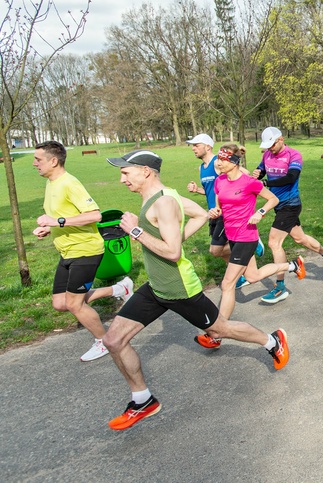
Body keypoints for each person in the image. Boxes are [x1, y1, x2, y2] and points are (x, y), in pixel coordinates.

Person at [102, 150, 289, 430]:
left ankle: (272, 341)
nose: (121, 179)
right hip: (156, 286)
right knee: (114, 341)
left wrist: (135, 232)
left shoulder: (164, 203)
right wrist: (171, 235)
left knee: (219, 330)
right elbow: (201, 214)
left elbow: (174, 252)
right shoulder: (165, 195)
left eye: (126, 173)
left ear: (145, 171)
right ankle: (142, 400)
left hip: (179, 288)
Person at [33, 141, 134, 362]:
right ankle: (119, 289)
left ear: (53, 160)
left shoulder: (70, 183)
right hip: (67, 251)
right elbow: (67, 217)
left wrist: (56, 221)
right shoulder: (52, 183)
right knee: (60, 303)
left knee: (73, 303)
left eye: (38, 159)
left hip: (85, 251)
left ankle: (105, 341)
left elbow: (95, 215)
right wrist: (49, 228)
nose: (34, 164)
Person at [194, 144, 298, 349]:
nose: (218, 163)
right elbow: (219, 205)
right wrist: (215, 211)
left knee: (227, 284)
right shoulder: (219, 181)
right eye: (218, 159)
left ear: (233, 162)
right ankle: (292, 266)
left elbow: (273, 199)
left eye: (222, 160)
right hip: (231, 236)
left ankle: (217, 333)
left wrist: (259, 212)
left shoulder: (249, 182)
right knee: (253, 276)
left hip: (246, 236)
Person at [253, 127, 323, 303]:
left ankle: (280, 287)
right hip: (278, 204)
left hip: (290, 204)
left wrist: (265, 182)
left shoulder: (294, 155)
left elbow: (292, 177)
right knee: (300, 239)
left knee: (274, 242)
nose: (270, 149)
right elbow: (262, 169)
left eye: (272, 145)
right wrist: (258, 173)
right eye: (267, 146)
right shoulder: (267, 155)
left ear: (281, 139)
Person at [186, 134, 261, 290]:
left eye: (196, 145)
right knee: (218, 251)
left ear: (208, 146)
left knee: (215, 250)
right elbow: (214, 191)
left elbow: (243, 174)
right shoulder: (202, 168)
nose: (193, 148)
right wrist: (197, 190)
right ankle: (240, 270)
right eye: (192, 145)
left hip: (225, 213)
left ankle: (249, 248)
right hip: (214, 212)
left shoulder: (217, 162)